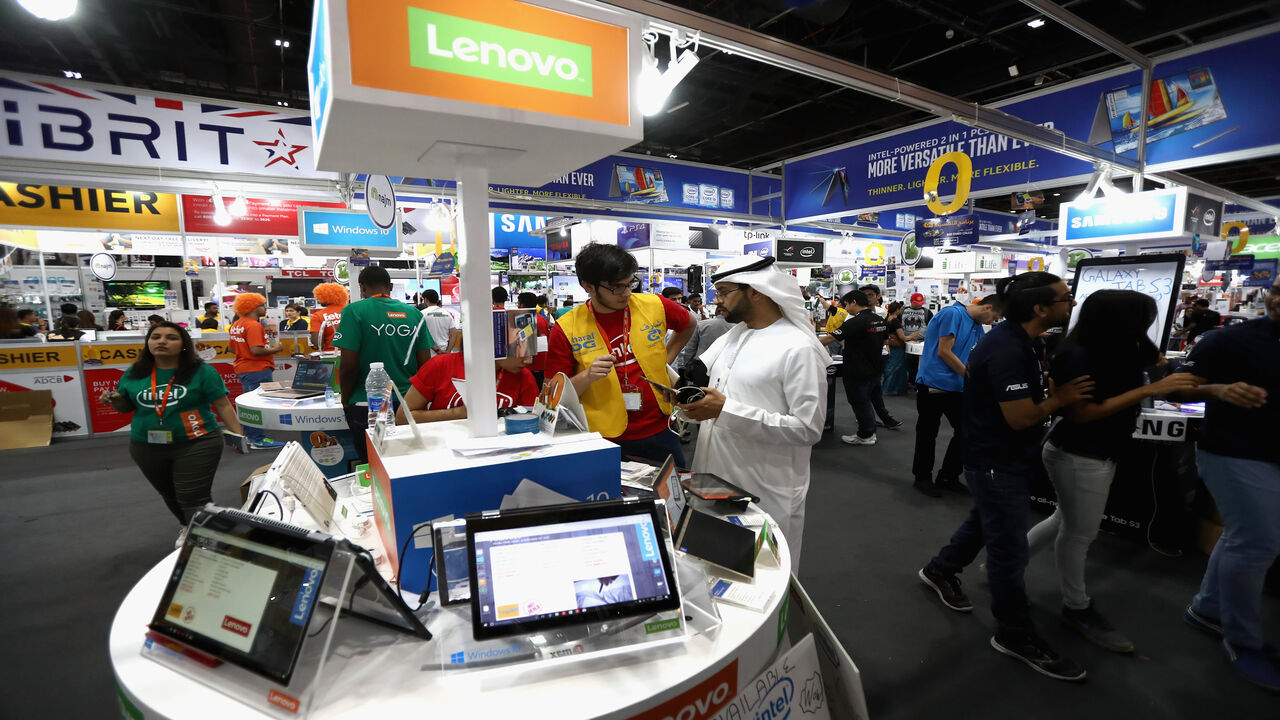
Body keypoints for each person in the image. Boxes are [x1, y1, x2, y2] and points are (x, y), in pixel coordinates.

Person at [917, 271, 1094, 683]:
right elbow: (1019, 417)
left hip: (1004, 457)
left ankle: (941, 568)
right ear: (1040, 307)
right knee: (1009, 550)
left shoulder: (1022, 341)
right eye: (1066, 298)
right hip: (996, 458)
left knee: (986, 520)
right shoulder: (1007, 348)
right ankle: (1014, 633)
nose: (1071, 304)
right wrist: (1059, 399)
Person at [1027, 291, 1201, 655]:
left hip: (1097, 451)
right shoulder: (1077, 355)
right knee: (1079, 535)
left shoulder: (1124, 345)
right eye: (1144, 319)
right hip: (1078, 454)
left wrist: (1211, 387)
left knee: (1065, 521)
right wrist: (1151, 387)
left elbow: (1159, 365)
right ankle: (1076, 607)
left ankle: (1005, 562)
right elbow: (1083, 414)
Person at [677, 255, 829, 573]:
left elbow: (807, 428)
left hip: (764, 489)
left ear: (756, 291)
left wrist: (725, 411)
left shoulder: (798, 347)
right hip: (714, 478)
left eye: (723, 292)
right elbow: (717, 396)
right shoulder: (735, 336)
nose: (716, 302)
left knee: (764, 580)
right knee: (715, 574)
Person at [1177, 277, 1280, 691]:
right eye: (1276, 289)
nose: (1277, 299)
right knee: (1258, 542)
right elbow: (1178, 389)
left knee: (1245, 535)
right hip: (1232, 452)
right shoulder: (1229, 341)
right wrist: (1217, 390)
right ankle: (1241, 638)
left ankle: (1208, 609)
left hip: (1271, 454)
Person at [546, 243, 694, 464]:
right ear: (588, 285)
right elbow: (553, 396)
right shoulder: (567, 328)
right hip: (602, 437)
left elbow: (689, 323)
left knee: (674, 495)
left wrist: (665, 360)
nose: (626, 293)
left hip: (659, 429)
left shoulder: (654, 305)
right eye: (616, 287)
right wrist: (588, 376)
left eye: (630, 284)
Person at [97, 321, 244, 536]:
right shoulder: (134, 373)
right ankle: (189, 527)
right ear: (148, 342)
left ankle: (205, 539)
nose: (162, 341)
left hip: (197, 442)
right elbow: (125, 407)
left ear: (184, 344)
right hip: (145, 446)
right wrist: (115, 400)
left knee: (193, 497)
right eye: (156, 337)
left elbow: (223, 405)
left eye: (171, 337)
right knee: (169, 494)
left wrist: (237, 436)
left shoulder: (202, 372)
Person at [334, 265, 433, 463]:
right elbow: (425, 364)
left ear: (362, 287)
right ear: (391, 286)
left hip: (367, 402)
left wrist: (346, 400)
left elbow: (348, 366)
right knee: (409, 463)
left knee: (374, 466)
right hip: (409, 402)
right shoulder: (414, 314)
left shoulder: (353, 311)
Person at [910, 295, 1002, 497]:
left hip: (958, 388)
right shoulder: (953, 313)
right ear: (987, 307)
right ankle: (922, 477)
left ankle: (948, 476)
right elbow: (944, 351)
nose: (993, 322)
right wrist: (972, 377)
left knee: (967, 432)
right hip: (933, 385)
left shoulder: (976, 326)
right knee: (928, 433)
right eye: (994, 317)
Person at [821, 290, 902, 445]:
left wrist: (809, 344)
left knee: (859, 401)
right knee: (868, 399)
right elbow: (885, 342)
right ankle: (869, 430)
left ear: (854, 302)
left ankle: (866, 434)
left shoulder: (855, 321)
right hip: (875, 366)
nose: (845, 308)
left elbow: (831, 337)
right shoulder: (879, 320)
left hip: (857, 368)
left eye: (846, 305)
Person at [396, 343, 538, 424]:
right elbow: (402, 418)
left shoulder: (523, 375)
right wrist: (458, 413)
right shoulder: (441, 365)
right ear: (495, 343)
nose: (528, 361)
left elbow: (533, 423)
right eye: (519, 350)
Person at [229, 293, 283, 447]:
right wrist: (276, 348)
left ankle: (251, 437)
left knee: (249, 404)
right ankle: (257, 440)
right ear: (254, 307)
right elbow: (256, 350)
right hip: (257, 369)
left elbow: (232, 349)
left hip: (244, 369)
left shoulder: (237, 324)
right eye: (262, 304)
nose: (264, 308)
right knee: (256, 405)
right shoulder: (253, 325)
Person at [675, 303, 731, 371]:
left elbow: (691, 348)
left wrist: (687, 364)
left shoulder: (701, 324)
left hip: (702, 365)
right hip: (726, 365)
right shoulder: (737, 326)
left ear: (718, 311)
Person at [518, 291, 551, 387]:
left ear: (523, 305)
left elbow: (522, 340)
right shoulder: (542, 318)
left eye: (518, 303)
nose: (517, 305)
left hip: (532, 366)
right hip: (542, 364)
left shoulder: (527, 319)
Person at [901, 293, 934, 386]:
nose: (919, 305)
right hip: (905, 340)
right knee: (906, 362)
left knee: (918, 363)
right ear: (911, 301)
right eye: (916, 303)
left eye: (920, 303)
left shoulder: (927, 312)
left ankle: (916, 381)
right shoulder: (903, 311)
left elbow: (932, 326)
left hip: (920, 342)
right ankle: (909, 380)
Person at [310, 282, 348, 352]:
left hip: (331, 354)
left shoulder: (318, 315)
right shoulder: (351, 311)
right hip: (354, 353)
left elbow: (317, 342)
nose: (318, 299)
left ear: (324, 297)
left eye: (319, 297)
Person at [420, 289, 460, 355]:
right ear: (437, 300)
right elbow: (453, 334)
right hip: (445, 352)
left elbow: (422, 335)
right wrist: (448, 351)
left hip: (429, 353)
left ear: (426, 300)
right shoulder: (447, 314)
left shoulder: (422, 314)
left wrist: (436, 349)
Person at [882, 301, 909, 395]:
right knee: (898, 367)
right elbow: (902, 337)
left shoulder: (886, 319)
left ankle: (886, 387)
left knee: (890, 366)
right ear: (897, 310)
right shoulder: (895, 321)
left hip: (889, 346)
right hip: (897, 347)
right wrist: (912, 336)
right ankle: (894, 389)